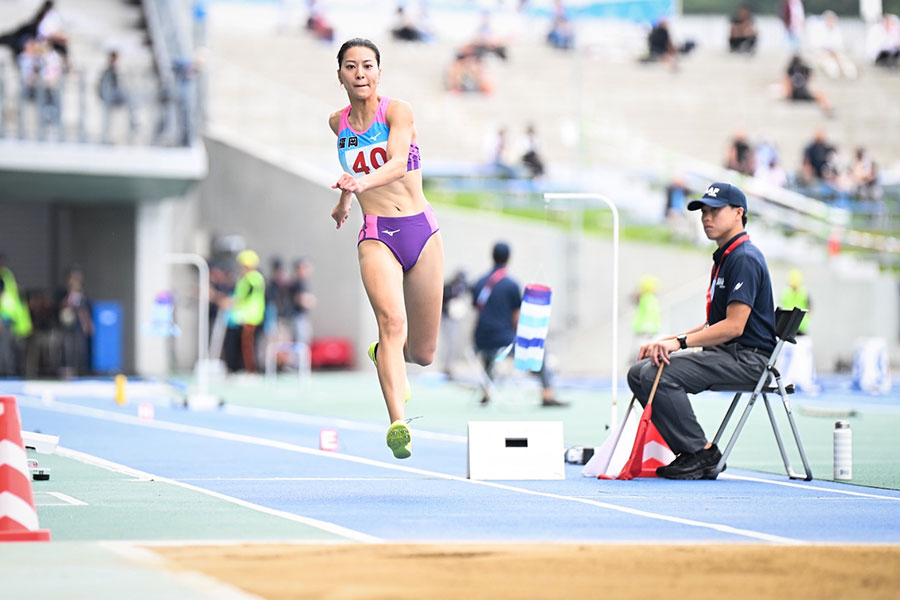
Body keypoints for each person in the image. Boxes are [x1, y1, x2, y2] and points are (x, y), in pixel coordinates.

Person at [329, 38, 444, 460]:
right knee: (391, 321)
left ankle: (386, 355)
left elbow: (396, 162)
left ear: (379, 73)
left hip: (421, 230)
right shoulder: (336, 123)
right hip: (377, 234)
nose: (360, 73)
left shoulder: (398, 111)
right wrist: (345, 201)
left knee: (423, 354)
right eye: (351, 66)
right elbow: (349, 174)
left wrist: (357, 184)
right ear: (339, 73)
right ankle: (398, 423)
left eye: (368, 66)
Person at [627, 183, 776, 480]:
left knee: (659, 373)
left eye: (715, 210)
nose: (706, 217)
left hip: (749, 360)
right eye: (704, 211)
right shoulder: (726, 256)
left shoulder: (744, 257)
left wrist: (679, 343)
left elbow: (734, 326)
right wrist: (669, 341)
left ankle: (701, 453)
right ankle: (690, 451)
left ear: (738, 213)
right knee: (638, 372)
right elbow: (714, 324)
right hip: (729, 353)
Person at [472, 242, 566, 407]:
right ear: (508, 258)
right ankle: (547, 393)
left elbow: (476, 310)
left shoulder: (479, 282)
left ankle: (487, 390)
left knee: (491, 354)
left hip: (480, 340)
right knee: (539, 349)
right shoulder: (511, 284)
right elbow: (516, 317)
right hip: (503, 340)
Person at [223, 250, 265, 373]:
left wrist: (230, 302)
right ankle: (244, 370)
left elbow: (244, 296)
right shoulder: (246, 278)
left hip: (250, 317)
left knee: (248, 346)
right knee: (242, 346)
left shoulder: (253, 278)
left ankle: (251, 371)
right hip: (243, 318)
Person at [98, 50, 138, 144]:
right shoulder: (107, 72)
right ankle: (109, 138)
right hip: (109, 98)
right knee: (109, 120)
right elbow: (102, 86)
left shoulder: (118, 71)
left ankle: (133, 126)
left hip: (117, 98)